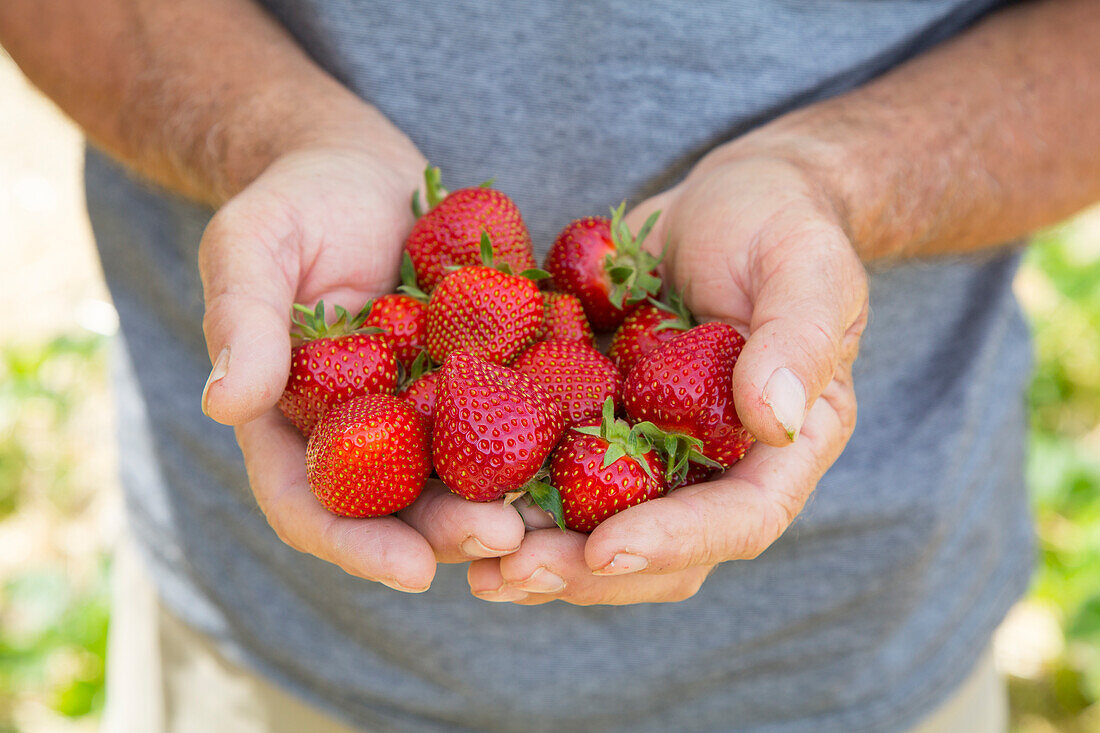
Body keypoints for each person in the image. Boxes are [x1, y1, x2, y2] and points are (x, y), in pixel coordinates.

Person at [2, 0, 1098, 730]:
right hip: (273, 628)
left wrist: (833, 182)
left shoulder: (501, 364)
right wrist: (272, 135)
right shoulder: (502, 362)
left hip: (853, 644)